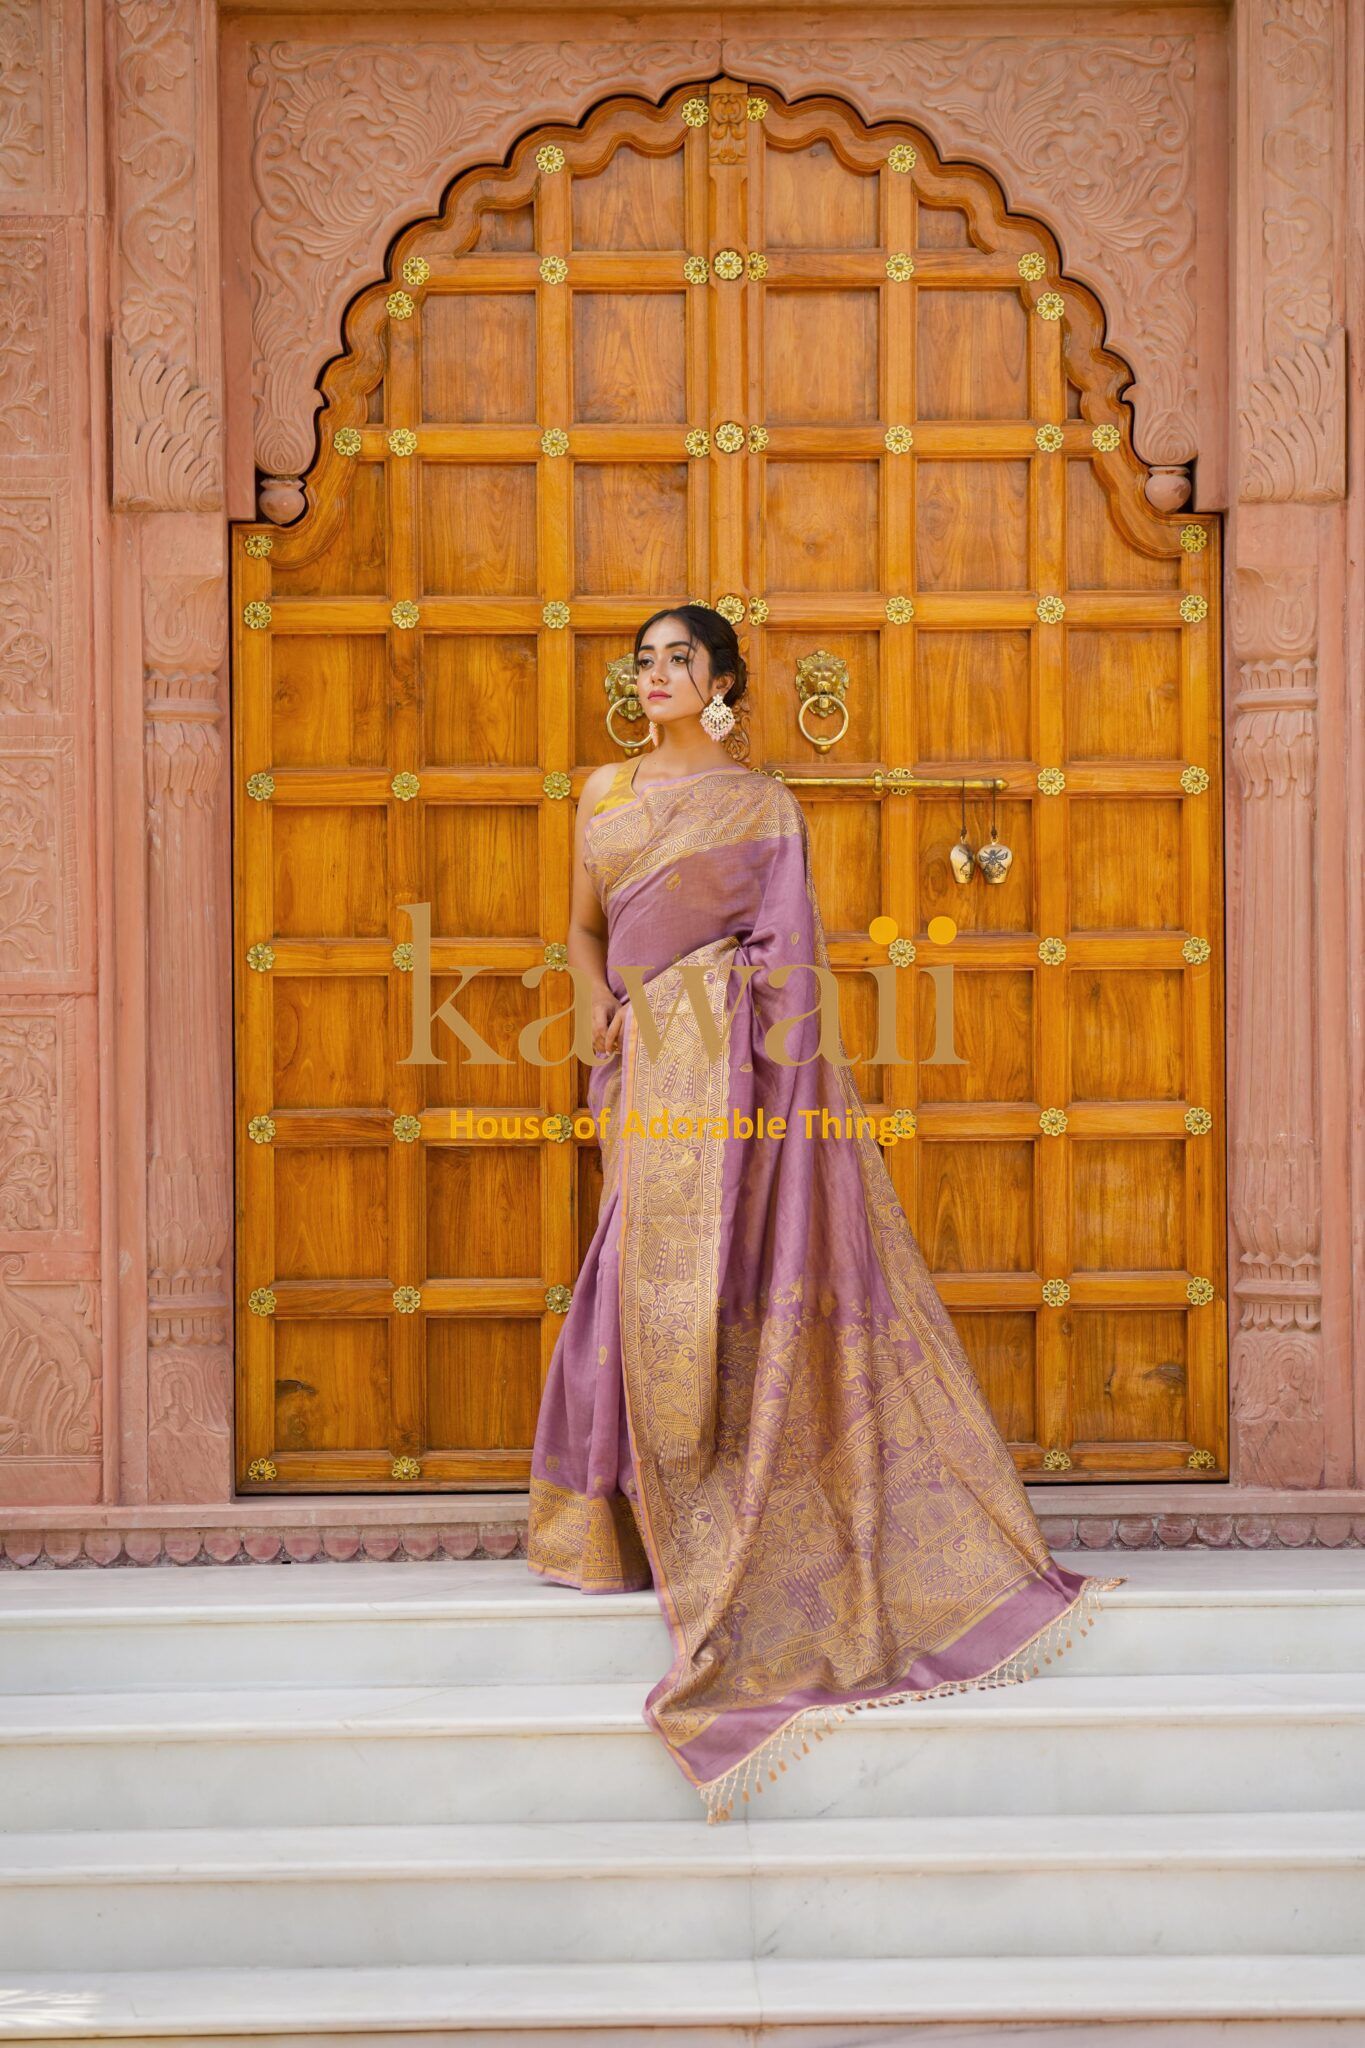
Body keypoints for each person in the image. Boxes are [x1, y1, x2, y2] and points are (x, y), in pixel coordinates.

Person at [527, 602, 1120, 1822]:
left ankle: (738, 1509)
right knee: (635, 1270)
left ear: (725, 680)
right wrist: (602, 1008)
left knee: (729, 1278)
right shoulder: (601, 794)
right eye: (643, 662)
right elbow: (583, 931)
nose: (656, 677)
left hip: (739, 1084)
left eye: (679, 660)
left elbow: (789, 968)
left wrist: (724, 1021)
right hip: (643, 1069)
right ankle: (611, 1520)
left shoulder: (762, 806)